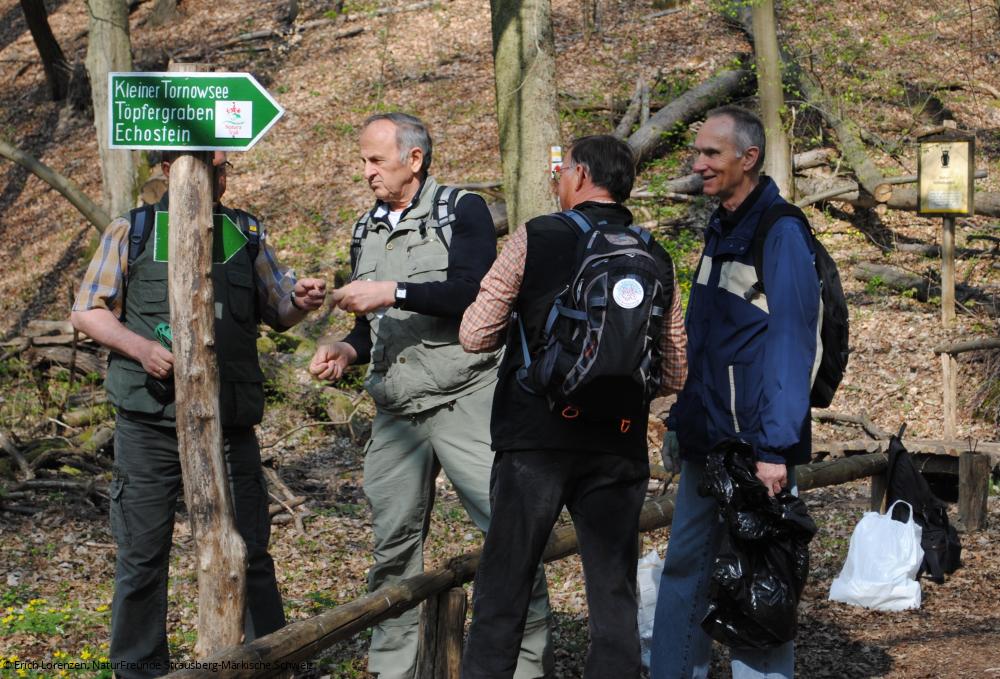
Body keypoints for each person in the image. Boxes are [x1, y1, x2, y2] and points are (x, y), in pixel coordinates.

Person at [308, 112, 552, 679]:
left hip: (467, 397)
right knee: (392, 548)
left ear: (413, 159)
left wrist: (391, 291)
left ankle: (524, 668)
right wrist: (345, 350)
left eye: (376, 160)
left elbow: (473, 293)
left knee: (509, 538)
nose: (366, 171)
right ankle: (395, 668)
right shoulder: (365, 229)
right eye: (363, 160)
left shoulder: (461, 210)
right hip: (397, 413)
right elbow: (370, 329)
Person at [71, 151, 327, 678]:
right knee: (142, 556)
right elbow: (87, 310)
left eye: (225, 167)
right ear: (171, 169)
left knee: (250, 550)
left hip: (229, 424)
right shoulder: (134, 230)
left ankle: (267, 663)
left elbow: (278, 309)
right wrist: (141, 348)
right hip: (149, 424)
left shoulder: (244, 232)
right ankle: (138, 670)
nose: (221, 176)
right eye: (211, 166)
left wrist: (300, 302)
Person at [459, 134, 688, 679]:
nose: (558, 180)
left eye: (563, 172)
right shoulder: (654, 254)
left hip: (535, 441)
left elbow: (474, 334)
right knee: (614, 594)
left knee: (504, 587)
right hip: (618, 442)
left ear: (581, 175)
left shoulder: (536, 236)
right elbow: (677, 371)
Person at [649, 106, 821, 679]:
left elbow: (792, 346)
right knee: (686, 569)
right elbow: (705, 343)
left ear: (748, 158)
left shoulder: (781, 231)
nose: (698, 164)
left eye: (711, 153)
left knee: (759, 579)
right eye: (697, 152)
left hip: (754, 446)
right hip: (708, 437)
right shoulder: (721, 226)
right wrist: (681, 421)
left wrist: (775, 448)